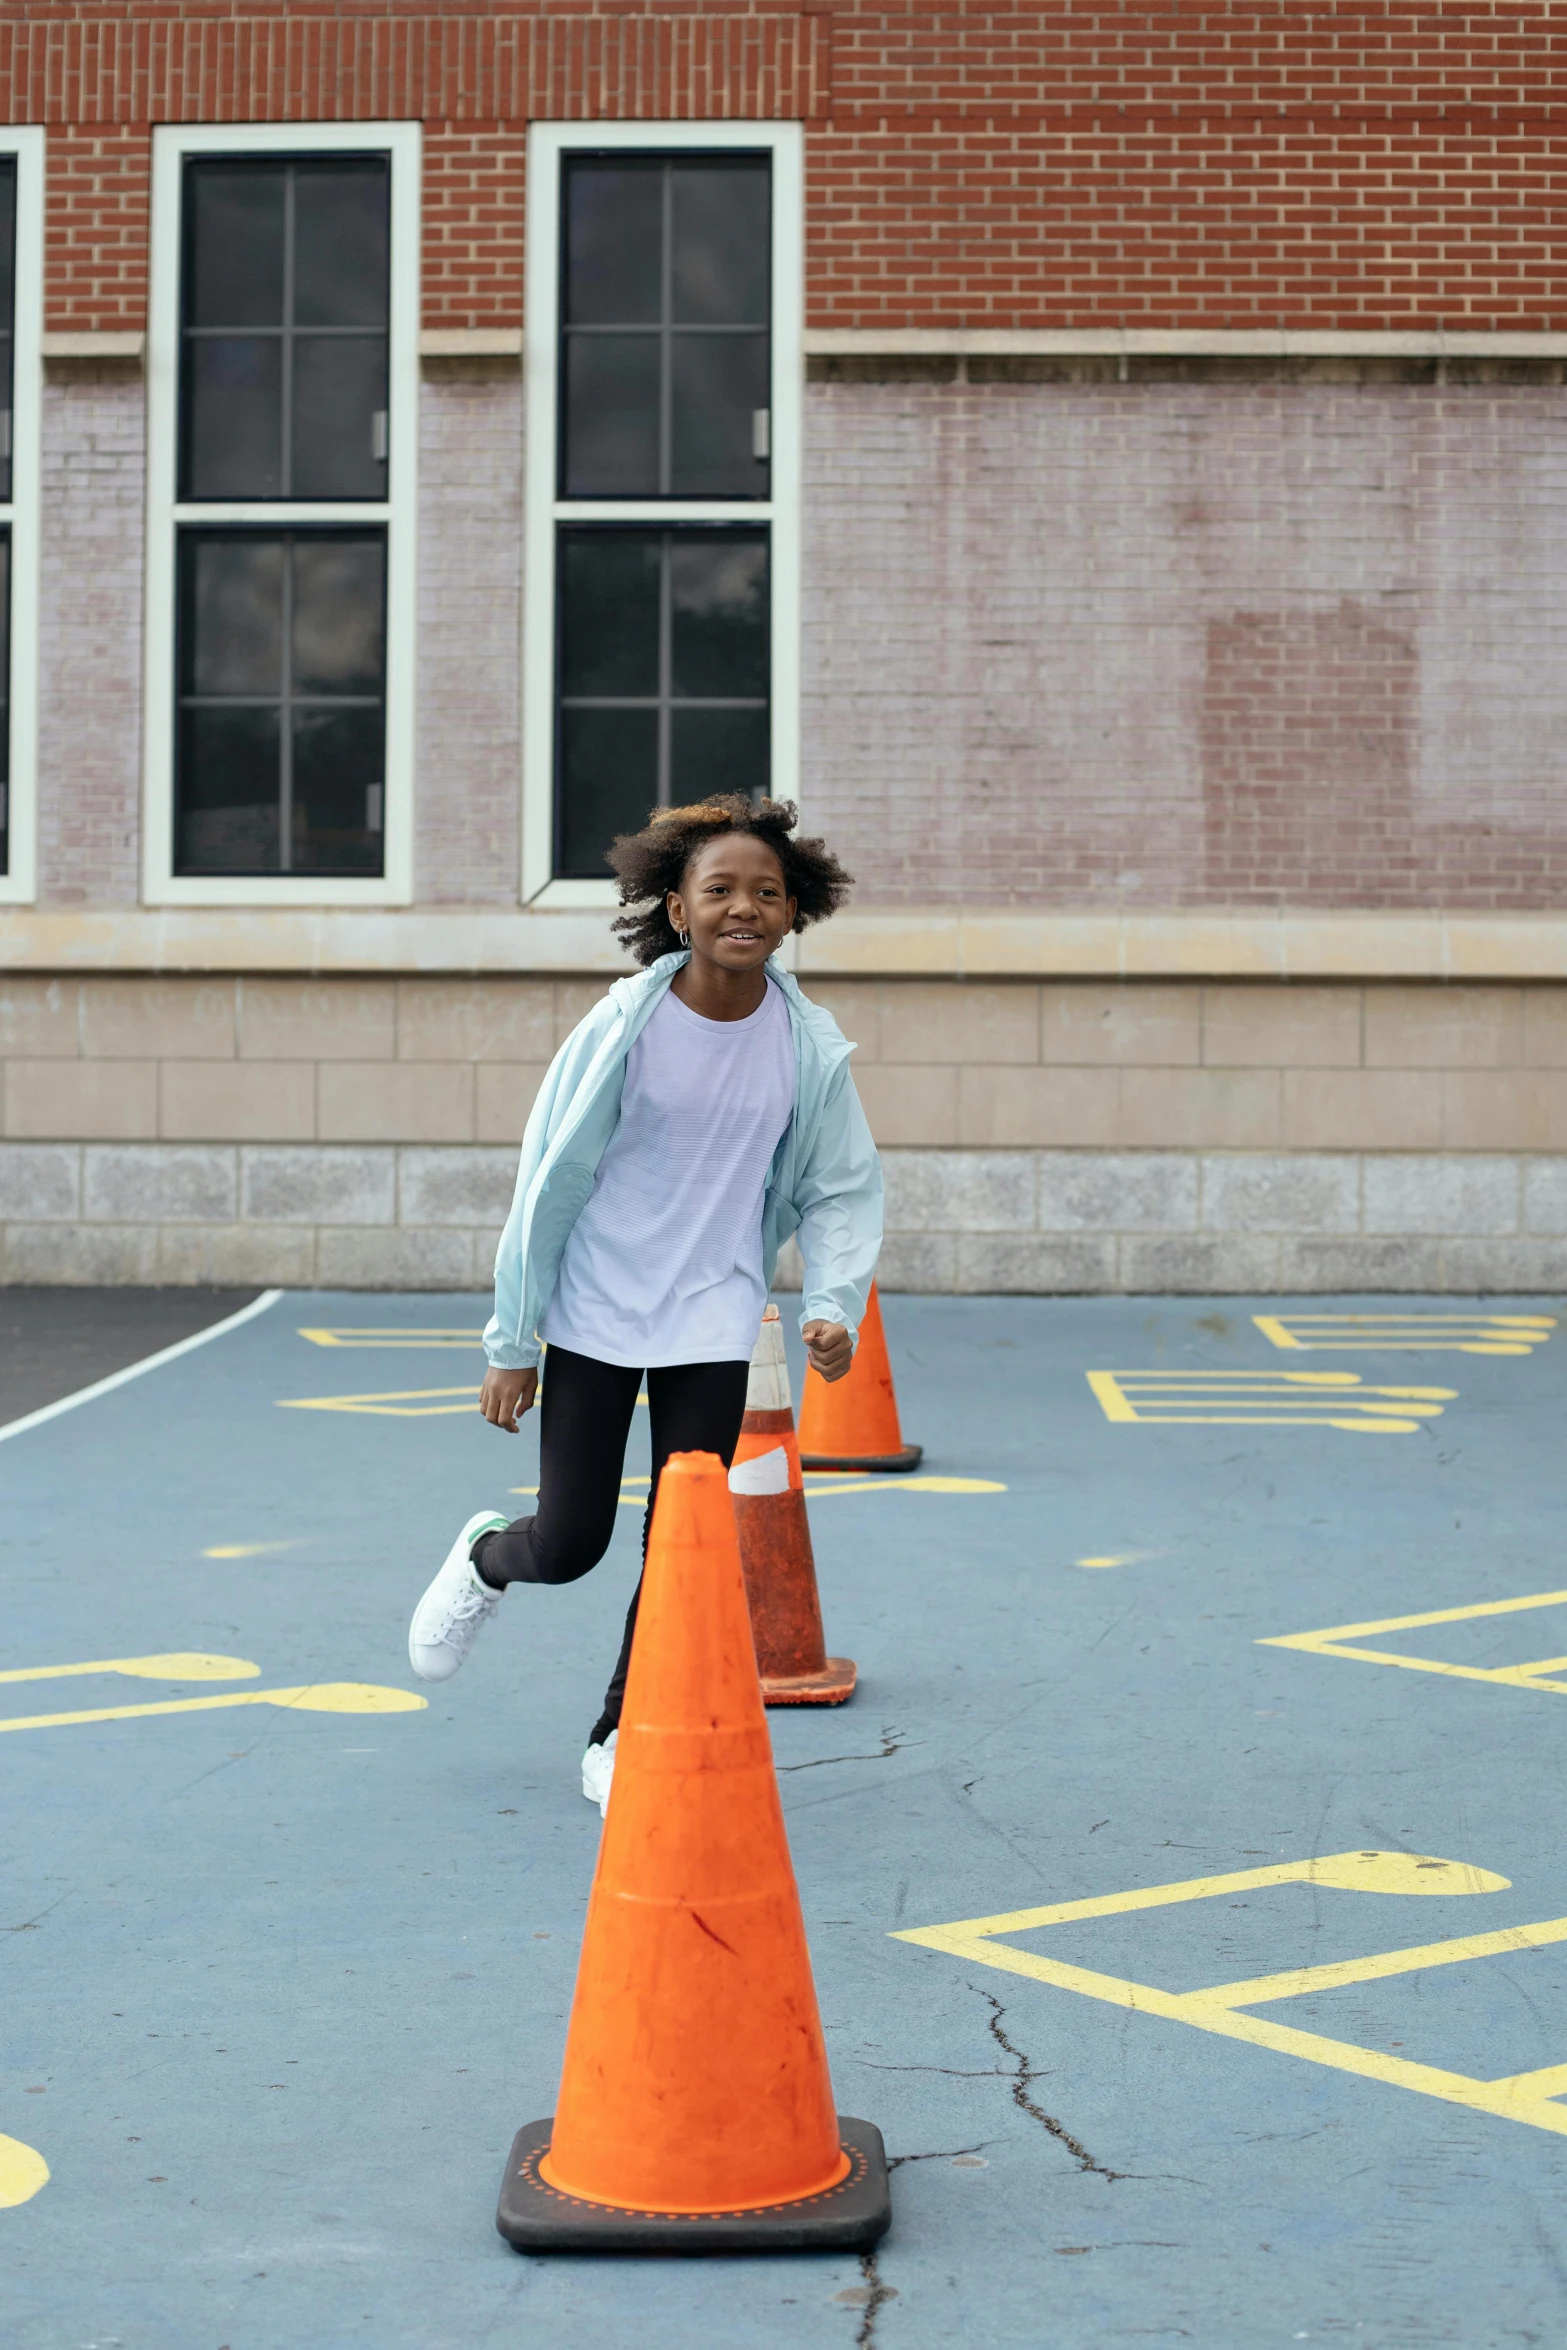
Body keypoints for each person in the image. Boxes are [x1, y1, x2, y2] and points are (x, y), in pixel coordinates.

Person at [406, 794, 883, 1814]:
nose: (743, 907)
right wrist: (512, 1340)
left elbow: (841, 1185)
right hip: (597, 1309)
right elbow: (546, 1180)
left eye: (767, 891)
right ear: (676, 908)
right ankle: (489, 1556)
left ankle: (620, 1726)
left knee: (683, 1546)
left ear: (794, 912)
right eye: (719, 890)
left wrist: (832, 1302)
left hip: (713, 1317)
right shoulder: (623, 1027)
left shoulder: (807, 1049)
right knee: (570, 1543)